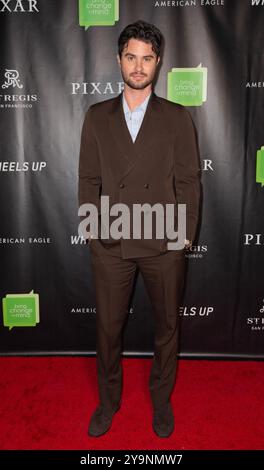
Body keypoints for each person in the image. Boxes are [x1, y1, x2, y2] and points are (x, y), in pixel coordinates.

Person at [78, 20, 201, 438]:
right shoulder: (96, 117)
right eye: (131, 56)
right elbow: (88, 179)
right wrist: (92, 230)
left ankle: (161, 398)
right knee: (108, 329)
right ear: (119, 60)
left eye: (147, 58)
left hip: (163, 238)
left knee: (167, 326)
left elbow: (188, 180)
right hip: (112, 239)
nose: (138, 65)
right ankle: (108, 401)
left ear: (158, 63)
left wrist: (183, 232)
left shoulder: (177, 118)